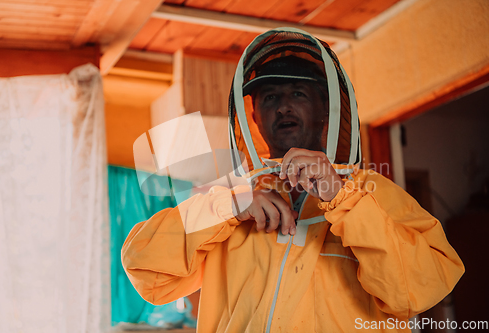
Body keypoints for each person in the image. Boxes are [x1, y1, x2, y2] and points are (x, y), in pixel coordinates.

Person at [122, 28, 464, 332]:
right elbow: (145, 269)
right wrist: (230, 207)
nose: (283, 106)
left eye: (298, 94)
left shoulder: (371, 190)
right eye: (270, 97)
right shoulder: (228, 196)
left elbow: (421, 290)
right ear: (253, 116)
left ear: (325, 109)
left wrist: (344, 199)